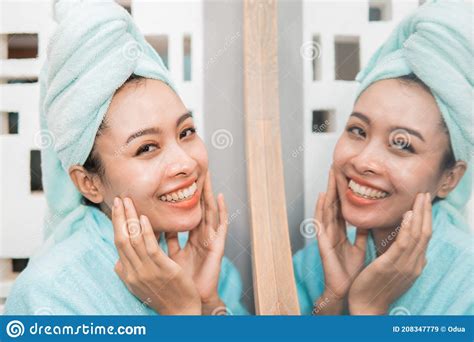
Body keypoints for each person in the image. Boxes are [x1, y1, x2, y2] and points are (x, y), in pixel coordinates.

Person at [5, 1, 246, 315]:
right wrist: (184, 314)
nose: (186, 163)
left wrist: (206, 300)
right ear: (89, 183)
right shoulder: (49, 297)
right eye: (146, 148)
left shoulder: (205, 262)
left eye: (186, 132)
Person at [293, 0, 473, 315]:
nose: (364, 161)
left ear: (450, 178)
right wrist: (335, 298)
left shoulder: (466, 282)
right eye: (358, 131)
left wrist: (368, 306)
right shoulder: (315, 262)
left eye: (402, 144)